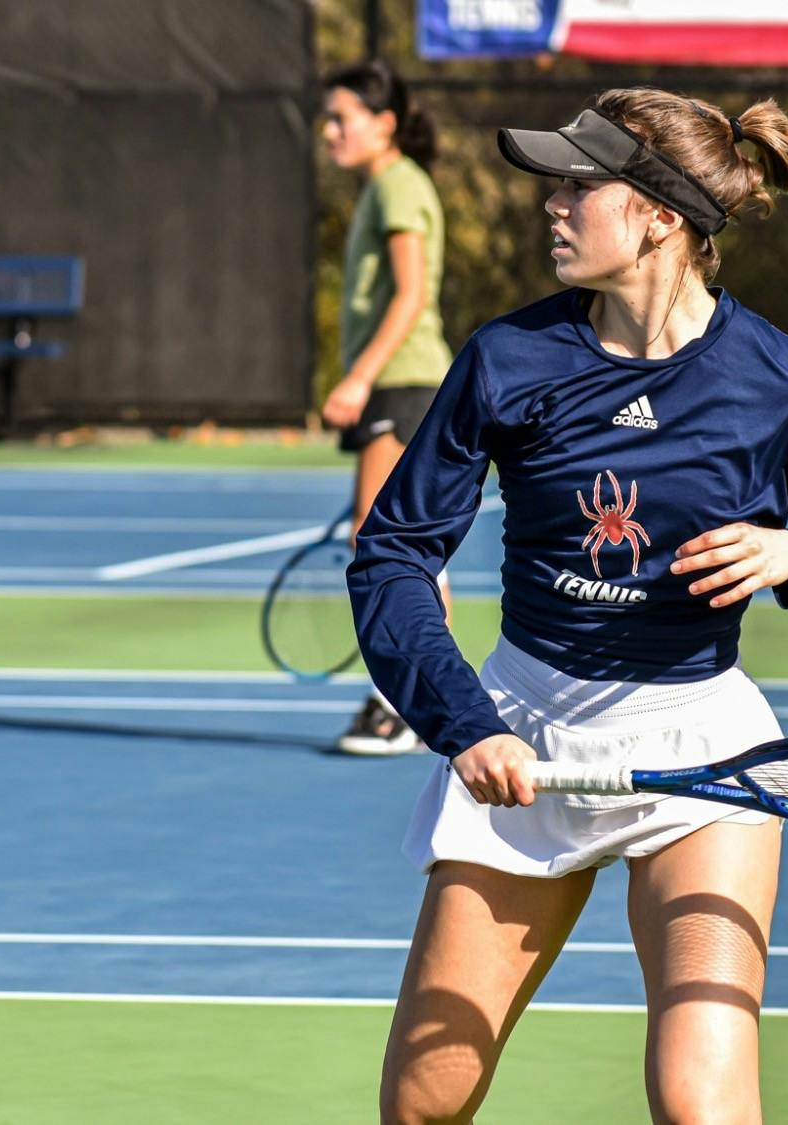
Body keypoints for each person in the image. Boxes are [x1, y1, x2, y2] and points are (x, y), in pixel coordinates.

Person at [347, 88, 788, 1123]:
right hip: (521, 736)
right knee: (424, 1105)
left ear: (660, 215)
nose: (551, 206)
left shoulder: (781, 382)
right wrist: (462, 725)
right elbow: (391, 556)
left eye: (579, 185)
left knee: (696, 1103)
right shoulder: (506, 360)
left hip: (704, 758)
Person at [319, 60, 457, 756]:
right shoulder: (386, 187)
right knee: (399, 543)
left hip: (404, 384)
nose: (330, 131)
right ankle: (428, 692)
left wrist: (357, 379)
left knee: (387, 546)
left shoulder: (399, 186)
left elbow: (408, 296)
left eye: (342, 118)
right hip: (398, 385)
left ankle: (405, 699)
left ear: (384, 124)